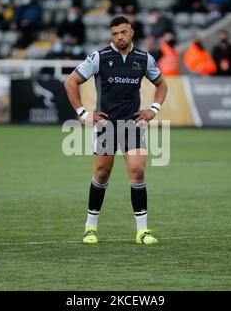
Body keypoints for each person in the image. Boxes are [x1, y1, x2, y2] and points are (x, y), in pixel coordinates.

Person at [64, 16, 168, 245]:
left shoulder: (144, 58)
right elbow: (70, 82)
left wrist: (153, 109)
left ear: (131, 32)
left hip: (132, 124)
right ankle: (90, 227)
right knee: (102, 174)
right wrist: (83, 114)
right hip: (106, 126)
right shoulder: (99, 57)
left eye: (123, 32)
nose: (119, 37)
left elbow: (162, 84)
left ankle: (143, 231)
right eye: (115, 34)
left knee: (138, 171)